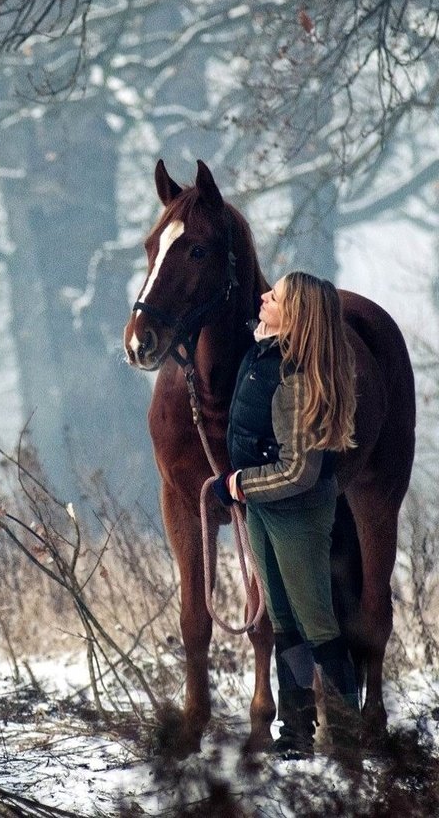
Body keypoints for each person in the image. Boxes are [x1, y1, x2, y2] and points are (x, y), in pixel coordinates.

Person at [212, 271, 360, 763]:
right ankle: (296, 732)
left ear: (293, 315)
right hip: (264, 508)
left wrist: (238, 485)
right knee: (283, 621)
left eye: (273, 296)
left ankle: (346, 740)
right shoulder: (266, 355)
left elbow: (298, 471)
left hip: (294, 510)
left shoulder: (295, 378)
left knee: (316, 623)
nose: (262, 297)